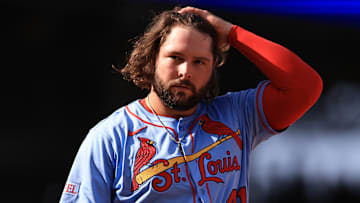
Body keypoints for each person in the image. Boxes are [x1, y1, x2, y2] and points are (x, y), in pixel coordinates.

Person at [60, 6, 322, 203]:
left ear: (212, 70)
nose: (186, 71)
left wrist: (232, 33)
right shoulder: (109, 136)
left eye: (199, 62)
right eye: (175, 57)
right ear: (152, 60)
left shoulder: (238, 114)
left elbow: (306, 87)